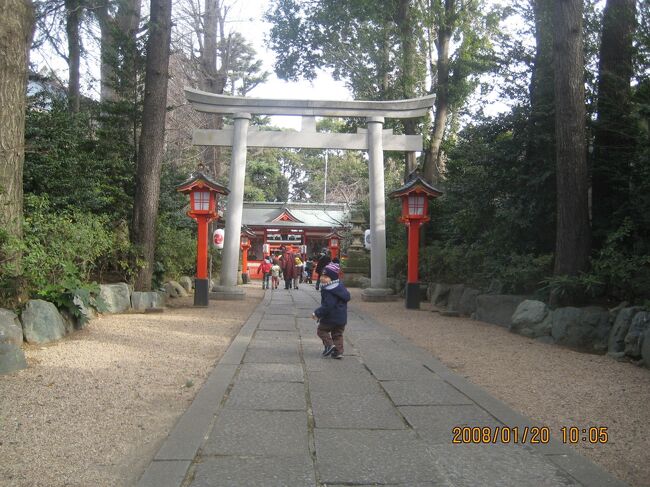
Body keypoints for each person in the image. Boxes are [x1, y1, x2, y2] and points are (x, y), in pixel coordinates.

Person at [312, 262, 350, 359]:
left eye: (326, 276)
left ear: (332, 278)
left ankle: (329, 345)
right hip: (341, 318)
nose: (322, 278)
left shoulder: (329, 290)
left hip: (331, 318)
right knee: (337, 334)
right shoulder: (340, 287)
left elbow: (328, 305)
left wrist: (317, 313)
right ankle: (338, 352)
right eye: (322, 276)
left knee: (321, 330)